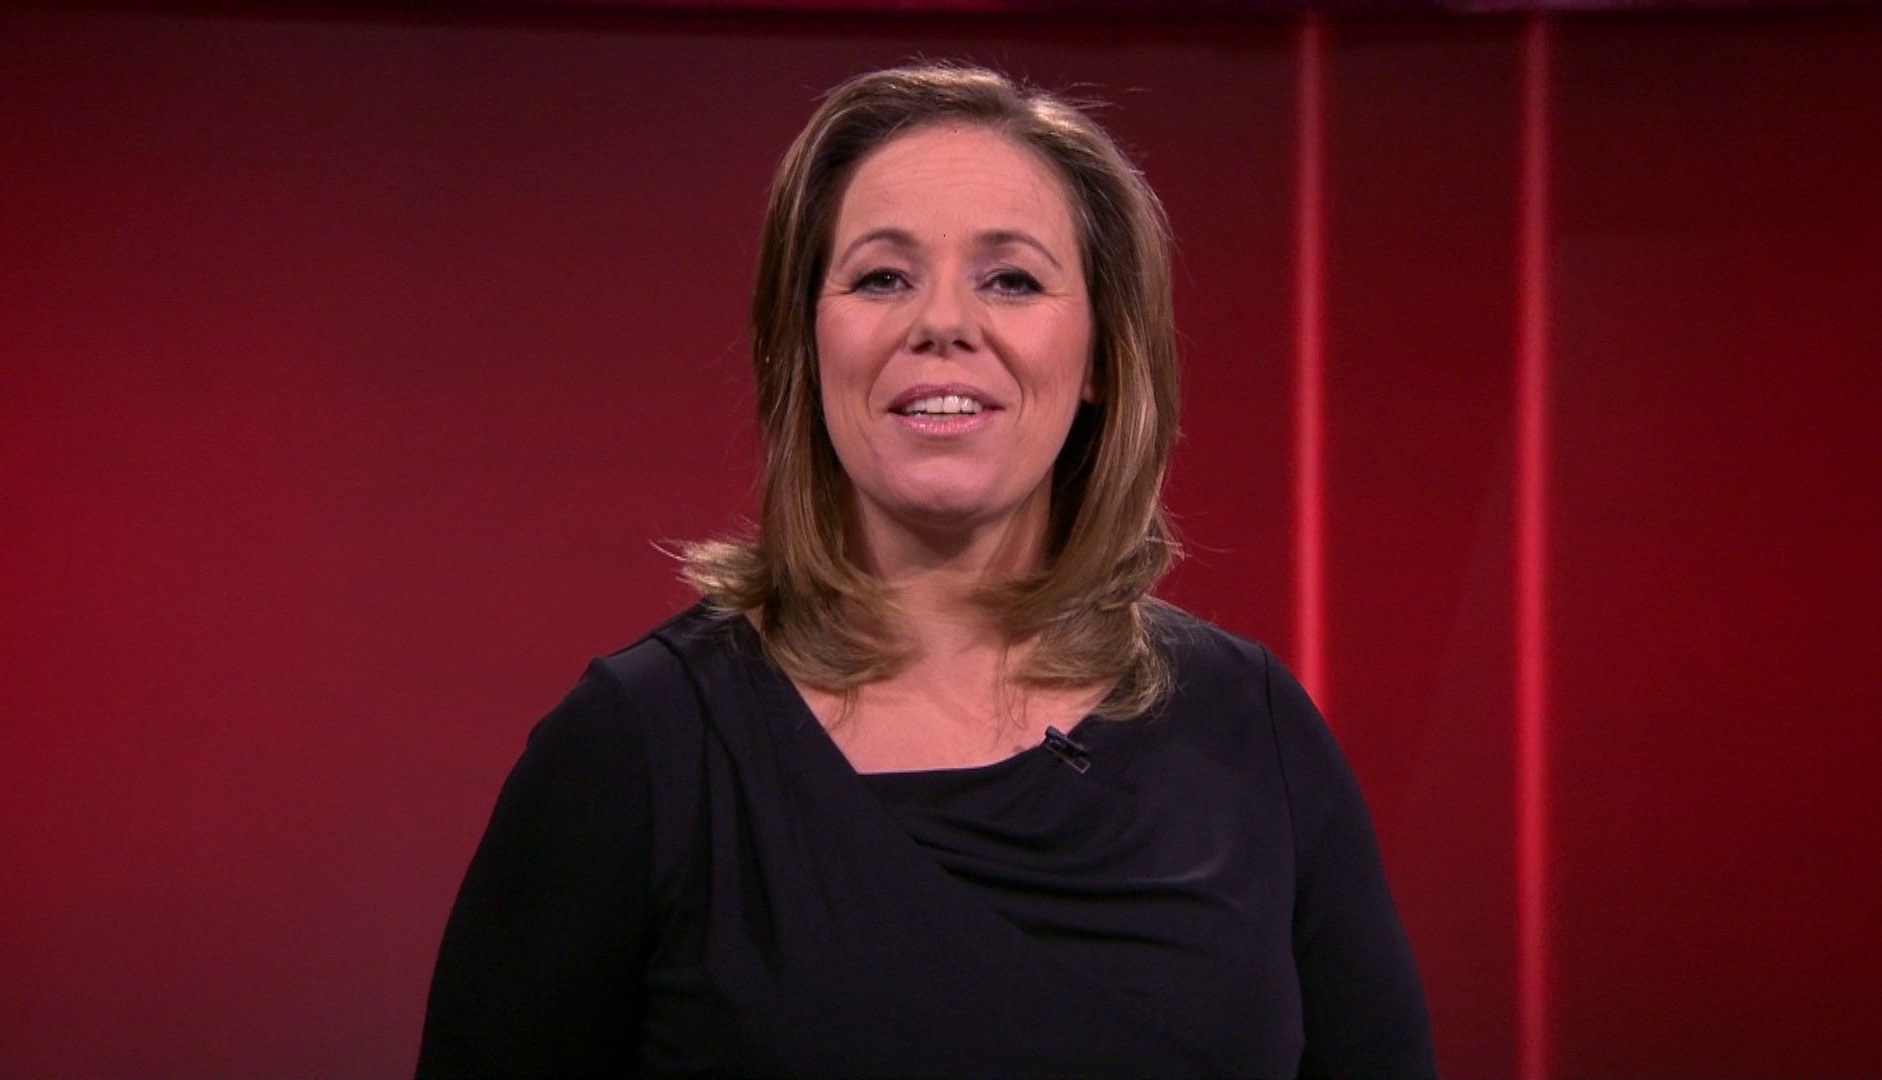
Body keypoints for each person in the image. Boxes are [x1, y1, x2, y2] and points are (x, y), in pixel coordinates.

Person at [416, 62, 1435, 1078]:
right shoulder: (637, 749)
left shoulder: (1253, 729)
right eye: (883, 278)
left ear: (1099, 358)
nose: (942, 323)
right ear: (805, 345)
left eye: (1012, 279)